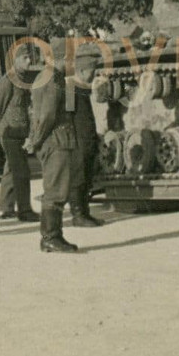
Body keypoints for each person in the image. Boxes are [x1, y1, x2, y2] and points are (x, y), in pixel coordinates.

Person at [29, 62, 82, 253]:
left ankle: (53, 236)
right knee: (56, 189)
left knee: (57, 188)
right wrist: (37, 140)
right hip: (56, 141)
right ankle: (51, 237)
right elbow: (48, 114)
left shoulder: (49, 76)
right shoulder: (52, 79)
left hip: (56, 140)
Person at [0, 47, 40, 222]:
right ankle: (24, 211)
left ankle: (4, 208)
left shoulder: (23, 80)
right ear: (15, 60)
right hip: (10, 131)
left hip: (19, 132)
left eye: (30, 58)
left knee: (11, 169)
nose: (29, 61)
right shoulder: (7, 81)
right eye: (25, 58)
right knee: (21, 171)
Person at [69, 47, 104, 227]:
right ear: (82, 71)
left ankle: (84, 212)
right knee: (78, 178)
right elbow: (66, 117)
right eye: (92, 70)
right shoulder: (70, 89)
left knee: (86, 177)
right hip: (77, 142)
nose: (94, 74)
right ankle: (78, 214)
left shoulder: (81, 88)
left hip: (86, 140)